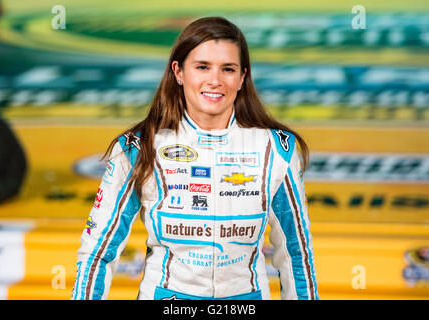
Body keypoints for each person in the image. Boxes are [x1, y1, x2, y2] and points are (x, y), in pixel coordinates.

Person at [72, 16, 318, 300]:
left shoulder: (277, 149)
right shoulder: (139, 148)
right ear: (178, 72)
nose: (214, 80)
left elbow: (296, 255)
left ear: (242, 78)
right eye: (202, 67)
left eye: (228, 69)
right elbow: (98, 252)